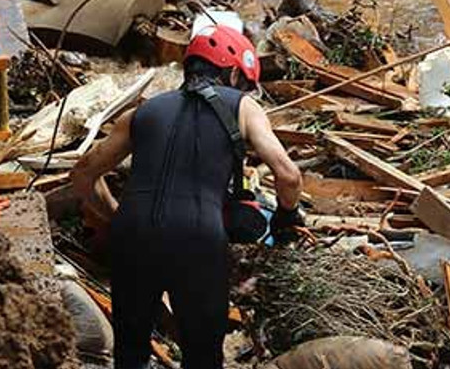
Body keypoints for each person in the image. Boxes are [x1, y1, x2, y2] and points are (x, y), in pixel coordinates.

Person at [71, 26, 303, 369]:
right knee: (202, 354)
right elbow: (289, 176)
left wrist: (117, 215)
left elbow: (83, 174)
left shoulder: (141, 112)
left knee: (131, 350)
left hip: (132, 237)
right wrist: (286, 219)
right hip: (199, 239)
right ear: (235, 72)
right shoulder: (244, 107)